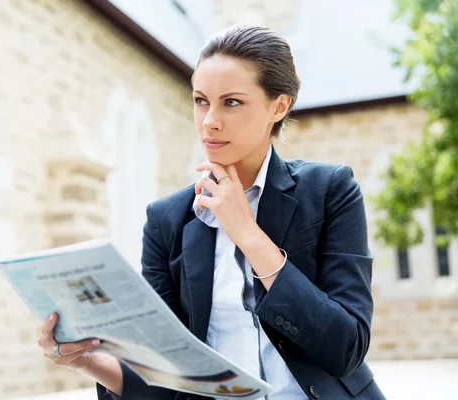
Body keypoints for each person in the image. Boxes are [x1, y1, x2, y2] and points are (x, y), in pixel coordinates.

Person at [36, 24, 386, 399]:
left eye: (231, 102)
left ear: (278, 106)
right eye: (201, 100)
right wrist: (88, 361)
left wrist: (247, 233)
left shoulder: (331, 190)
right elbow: (167, 376)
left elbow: (346, 346)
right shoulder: (167, 220)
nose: (209, 121)